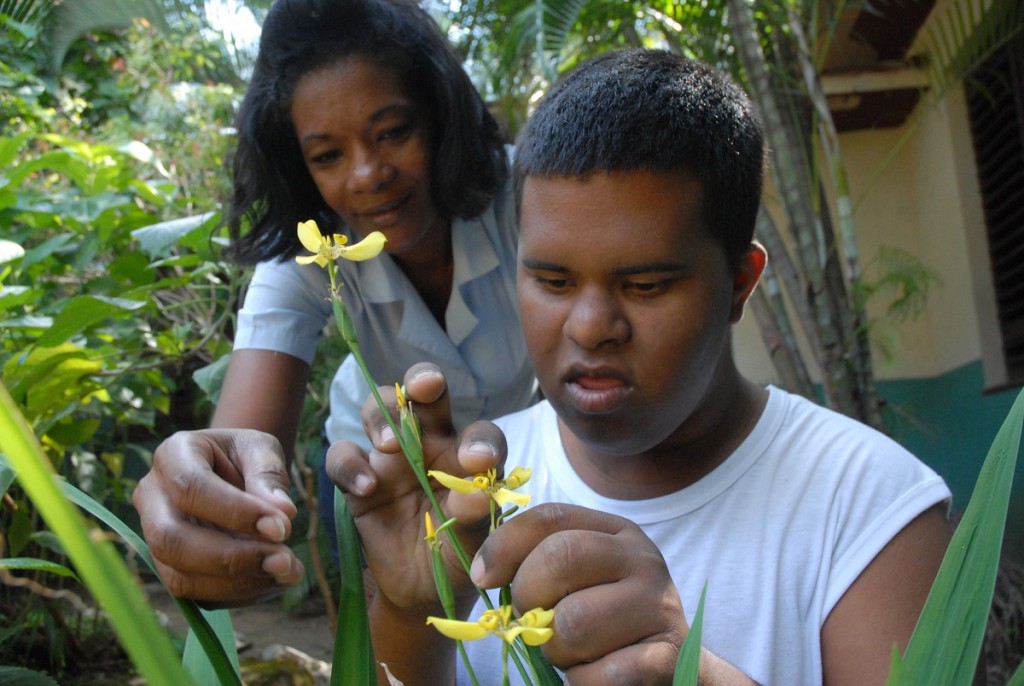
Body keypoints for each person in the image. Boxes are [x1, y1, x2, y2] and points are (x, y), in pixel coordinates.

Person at [327, 49, 954, 685]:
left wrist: (689, 673)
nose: (591, 326)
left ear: (739, 283)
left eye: (648, 284)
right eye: (552, 280)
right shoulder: (468, 497)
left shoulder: (872, 507)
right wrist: (409, 613)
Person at [132, 0, 536, 604]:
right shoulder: (311, 255)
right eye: (327, 155)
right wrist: (210, 492)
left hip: (529, 464)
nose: (368, 173)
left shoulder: (531, 198)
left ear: (439, 116)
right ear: (298, 167)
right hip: (383, 483)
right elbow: (242, 444)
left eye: (393, 132)